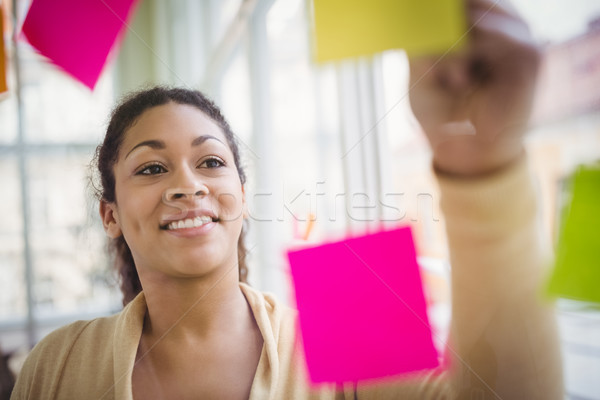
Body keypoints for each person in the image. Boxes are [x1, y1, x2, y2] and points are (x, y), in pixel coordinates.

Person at [11, 0, 563, 398]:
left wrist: (483, 166)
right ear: (110, 215)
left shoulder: (343, 322)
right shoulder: (56, 366)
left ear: (243, 198)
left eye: (211, 162)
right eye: (152, 168)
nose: (189, 185)